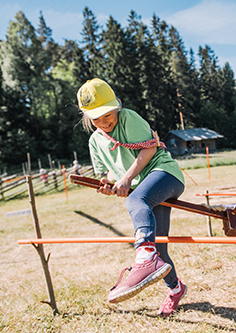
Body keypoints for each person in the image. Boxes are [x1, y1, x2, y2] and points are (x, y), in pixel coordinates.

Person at [77, 78, 187, 317]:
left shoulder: (127, 117)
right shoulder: (95, 141)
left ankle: (144, 257)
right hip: (143, 190)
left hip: (164, 174)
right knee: (161, 250)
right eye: (97, 118)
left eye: (108, 115)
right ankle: (175, 289)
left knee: (135, 201)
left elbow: (149, 148)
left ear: (117, 106)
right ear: (86, 117)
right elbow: (108, 173)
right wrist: (108, 184)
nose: (105, 122)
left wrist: (126, 179)